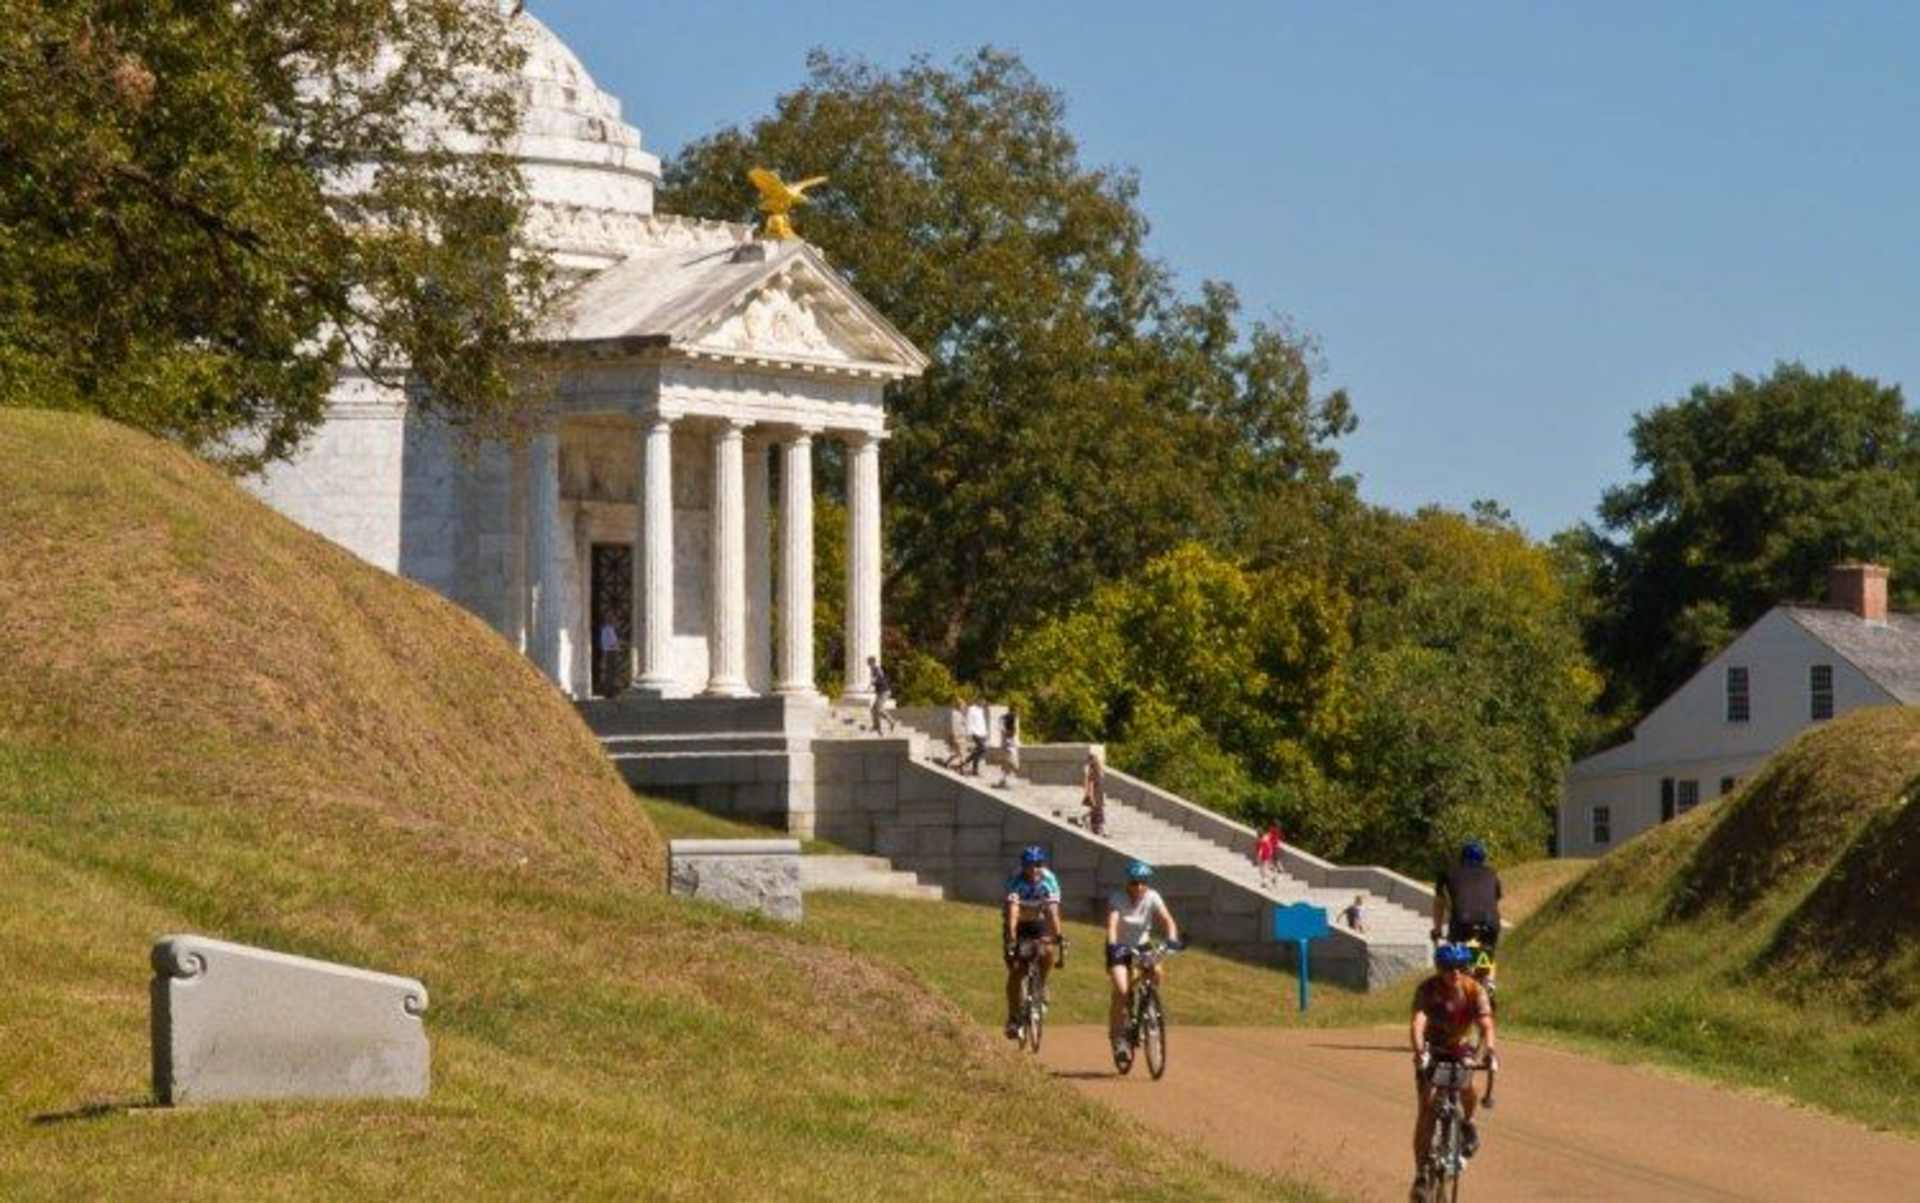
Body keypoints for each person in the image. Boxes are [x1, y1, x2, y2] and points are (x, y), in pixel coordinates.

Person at [1409, 942, 1497, 1197]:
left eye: (1460, 967)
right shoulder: (1427, 989)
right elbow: (1418, 1023)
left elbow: (1486, 1025)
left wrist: (1489, 1051)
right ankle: (1421, 1174)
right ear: (1439, 968)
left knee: (1467, 1085)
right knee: (1426, 1107)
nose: (1455, 973)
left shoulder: (1474, 989)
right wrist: (1419, 1052)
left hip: (1460, 1048)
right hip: (1432, 1049)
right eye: (1448, 968)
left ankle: (1468, 1123)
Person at [1106, 860, 1180, 1065]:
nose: (1138, 887)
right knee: (1122, 991)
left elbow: (1168, 920)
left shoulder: (1152, 896)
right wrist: (1113, 946)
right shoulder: (1117, 898)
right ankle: (1118, 1037)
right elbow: (1112, 925)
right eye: (1134, 882)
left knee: (1156, 972)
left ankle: (1148, 1007)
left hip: (1142, 945)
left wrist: (1172, 940)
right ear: (1127, 883)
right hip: (1120, 947)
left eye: (1142, 882)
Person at [1003, 844, 1064, 1038]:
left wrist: (1057, 936)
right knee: (1016, 972)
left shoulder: (1049, 879)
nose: (1033, 869)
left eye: (1037, 864)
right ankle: (1013, 1018)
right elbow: (1013, 913)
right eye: (1029, 865)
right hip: (1018, 924)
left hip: (1038, 921)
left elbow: (1053, 911)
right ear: (1023, 865)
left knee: (1047, 953)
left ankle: (1041, 986)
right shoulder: (1016, 880)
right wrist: (1012, 938)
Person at [1433, 839, 1503, 954]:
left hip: (1461, 923)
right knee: (1487, 959)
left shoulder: (1448, 872)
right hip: (1491, 924)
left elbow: (1439, 903)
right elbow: (1494, 901)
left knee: (1453, 961)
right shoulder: (1492, 873)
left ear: (1461, 857)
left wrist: (1437, 930)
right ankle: (1489, 969)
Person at [866, 655, 898, 735]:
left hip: (884, 692)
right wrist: (870, 687)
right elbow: (875, 681)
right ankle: (876, 726)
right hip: (880, 692)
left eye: (868, 662)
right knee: (873, 709)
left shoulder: (877, 669)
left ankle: (891, 721)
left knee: (879, 709)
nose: (867, 664)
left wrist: (873, 681)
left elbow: (879, 677)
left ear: (872, 662)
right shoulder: (873, 670)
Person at [1081, 748, 1106, 836]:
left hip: (1098, 795)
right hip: (1095, 796)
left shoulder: (1098, 772)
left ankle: (1099, 830)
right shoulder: (1092, 773)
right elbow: (1090, 787)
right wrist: (1091, 798)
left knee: (1098, 813)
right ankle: (1097, 830)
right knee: (1096, 813)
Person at [1254, 821, 1284, 889]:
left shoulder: (1263, 839)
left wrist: (1258, 857)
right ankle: (1269, 879)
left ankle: (1270, 879)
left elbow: (1261, 850)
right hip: (1268, 855)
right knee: (1264, 869)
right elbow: (1269, 846)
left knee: (1263, 870)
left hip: (1264, 857)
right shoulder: (1268, 836)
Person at [995, 708, 1020, 788]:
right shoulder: (1009, 719)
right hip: (1009, 745)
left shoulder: (1006, 719)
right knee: (1012, 764)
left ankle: (1003, 781)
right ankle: (1004, 781)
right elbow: (1009, 731)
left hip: (1008, 744)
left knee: (1007, 764)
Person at [596, 618, 621, 696]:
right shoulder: (607, 629)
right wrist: (616, 644)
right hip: (610, 651)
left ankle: (612, 690)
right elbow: (609, 642)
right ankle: (609, 691)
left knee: (612, 672)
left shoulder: (610, 629)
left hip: (612, 651)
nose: (615, 621)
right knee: (609, 672)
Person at [964, 697, 989, 776]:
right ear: (978, 701)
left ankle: (974, 769)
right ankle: (968, 761)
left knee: (979, 751)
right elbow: (968, 721)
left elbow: (982, 723)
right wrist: (968, 733)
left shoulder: (981, 710)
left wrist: (985, 733)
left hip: (982, 733)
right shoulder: (972, 709)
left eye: (984, 703)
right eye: (982, 702)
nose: (983, 704)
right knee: (982, 749)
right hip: (975, 733)